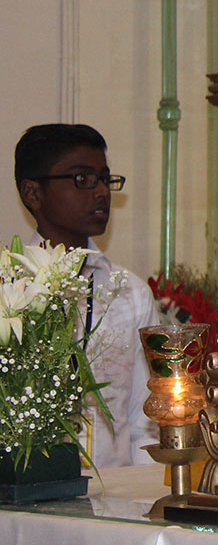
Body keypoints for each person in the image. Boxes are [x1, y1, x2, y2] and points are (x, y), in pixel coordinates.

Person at [14, 124, 155, 468]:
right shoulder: (9, 290)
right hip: (25, 496)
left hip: (115, 501)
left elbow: (144, 423)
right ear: (33, 193)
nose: (102, 193)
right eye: (82, 179)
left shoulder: (129, 293)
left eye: (105, 179)